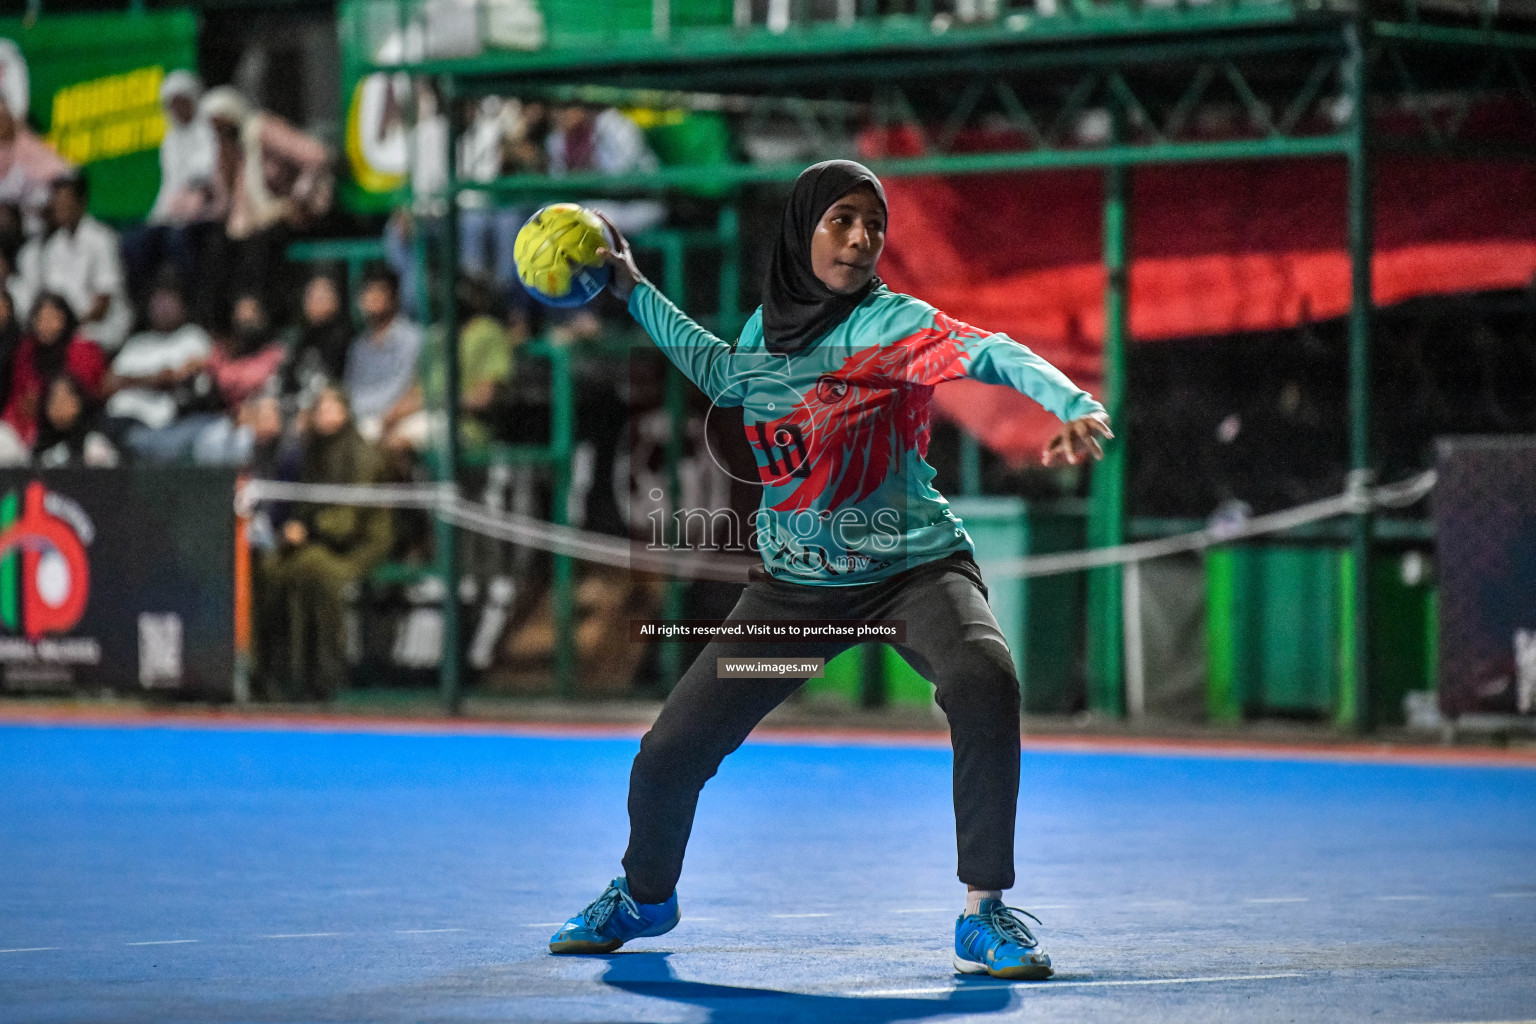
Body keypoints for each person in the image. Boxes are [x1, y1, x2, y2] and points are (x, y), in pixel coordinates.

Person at [547, 161, 1113, 980]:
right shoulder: (762, 333)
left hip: (913, 576)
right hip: (796, 599)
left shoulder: (894, 326)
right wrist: (632, 286)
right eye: (840, 220)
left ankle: (984, 913)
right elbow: (717, 370)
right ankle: (643, 896)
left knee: (983, 676)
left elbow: (988, 352)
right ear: (801, 231)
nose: (859, 238)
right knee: (669, 752)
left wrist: (1070, 401)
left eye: (873, 226)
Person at [255, 383, 392, 701]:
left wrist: (310, 529)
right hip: (315, 541)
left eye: (333, 408)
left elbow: (352, 517)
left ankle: (327, 674)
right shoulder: (309, 452)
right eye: (321, 408)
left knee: (316, 571)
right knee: (272, 569)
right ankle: (277, 674)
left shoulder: (362, 455)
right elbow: (296, 501)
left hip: (360, 542)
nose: (326, 415)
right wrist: (292, 529)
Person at [198, 87, 332, 327]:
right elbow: (231, 207)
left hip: (297, 215)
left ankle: (257, 311)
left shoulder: (262, 129)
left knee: (260, 243)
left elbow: (317, 156)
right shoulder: (230, 148)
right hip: (261, 221)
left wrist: (299, 198)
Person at [122, 71, 217, 308]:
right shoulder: (171, 140)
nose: (178, 109)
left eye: (182, 102)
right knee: (132, 242)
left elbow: (204, 180)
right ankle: (143, 307)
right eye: (173, 104)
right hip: (173, 214)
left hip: (203, 215)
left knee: (177, 240)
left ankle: (193, 302)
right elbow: (169, 186)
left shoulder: (209, 132)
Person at [13, 175, 133, 350]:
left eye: (65, 201)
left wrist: (68, 325)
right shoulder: (53, 246)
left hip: (102, 326)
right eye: (57, 202)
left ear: (81, 202)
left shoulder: (101, 238)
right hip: (65, 327)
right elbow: (52, 298)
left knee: (72, 343)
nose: (60, 207)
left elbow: (103, 304)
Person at [104, 281, 217, 463]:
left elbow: (178, 377)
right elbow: (107, 384)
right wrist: (155, 378)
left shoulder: (193, 337)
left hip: (164, 424)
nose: (162, 308)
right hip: (120, 420)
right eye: (157, 302)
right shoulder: (137, 342)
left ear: (183, 305)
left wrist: (129, 381)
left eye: (168, 302)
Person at [4, 292, 108, 448]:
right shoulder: (26, 351)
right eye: (41, 318)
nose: (46, 324)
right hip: (34, 429)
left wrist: (50, 402)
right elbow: (20, 400)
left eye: (53, 318)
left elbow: (89, 395)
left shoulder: (83, 349)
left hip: (82, 426)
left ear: (65, 318)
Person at [343, 264, 423, 445]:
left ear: (394, 297)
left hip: (399, 419)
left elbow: (418, 390)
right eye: (367, 292)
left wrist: (391, 418)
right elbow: (351, 393)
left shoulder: (413, 339)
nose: (372, 298)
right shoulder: (358, 346)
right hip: (361, 419)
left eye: (379, 291)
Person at [279, 269, 352, 404]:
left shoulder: (345, 340)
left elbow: (338, 386)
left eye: (321, 297)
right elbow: (286, 383)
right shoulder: (299, 340)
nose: (314, 303)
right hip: (295, 408)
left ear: (336, 302)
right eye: (310, 297)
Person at [33, 372, 119, 468]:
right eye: (52, 400)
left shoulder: (95, 436)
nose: (58, 407)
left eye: (63, 400)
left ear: (79, 400)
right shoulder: (42, 443)